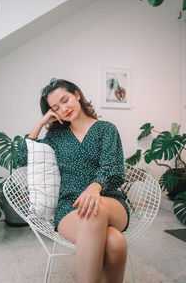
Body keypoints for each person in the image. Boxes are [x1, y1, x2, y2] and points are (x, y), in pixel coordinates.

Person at [16, 78, 130, 283]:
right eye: (56, 107)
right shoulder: (56, 137)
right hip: (70, 208)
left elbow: (113, 169)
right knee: (115, 243)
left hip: (110, 202)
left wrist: (95, 188)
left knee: (95, 207)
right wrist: (40, 124)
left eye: (65, 99)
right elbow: (22, 160)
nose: (64, 108)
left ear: (77, 95)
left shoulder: (106, 129)